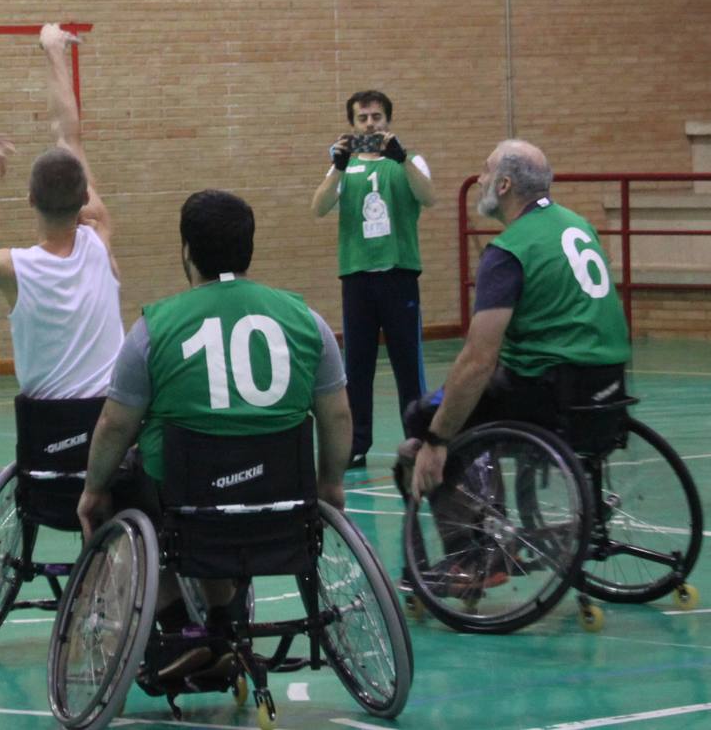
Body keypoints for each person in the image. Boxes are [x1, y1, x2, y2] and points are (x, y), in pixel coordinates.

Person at [78, 189, 350, 676]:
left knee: (123, 486)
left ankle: (178, 621)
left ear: (186, 251)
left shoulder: (154, 330)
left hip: (191, 506)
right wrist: (330, 485)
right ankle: (224, 620)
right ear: (250, 249)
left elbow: (115, 423)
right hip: (281, 504)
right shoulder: (308, 322)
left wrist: (94, 488)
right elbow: (338, 417)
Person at [403, 139, 629, 500]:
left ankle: (473, 549)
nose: (479, 179)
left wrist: (436, 438)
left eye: (486, 170)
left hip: (551, 393)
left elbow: (479, 360)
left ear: (504, 185)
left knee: (424, 416)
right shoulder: (580, 225)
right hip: (610, 385)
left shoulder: (510, 251)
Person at [0, 24, 124, 399]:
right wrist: (54, 50)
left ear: (30, 199)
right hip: (110, 425)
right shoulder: (98, 236)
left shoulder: (12, 267)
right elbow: (69, 135)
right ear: (85, 198)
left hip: (47, 431)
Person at [311, 89, 434, 470]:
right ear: (352, 124)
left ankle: (417, 438)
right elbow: (318, 208)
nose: (370, 124)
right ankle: (357, 444)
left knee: (407, 362)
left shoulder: (409, 160)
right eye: (362, 119)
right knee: (357, 365)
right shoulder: (343, 167)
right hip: (358, 278)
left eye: (376, 117)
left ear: (388, 120)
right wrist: (338, 166)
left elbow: (428, 197)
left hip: (398, 274)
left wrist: (401, 158)